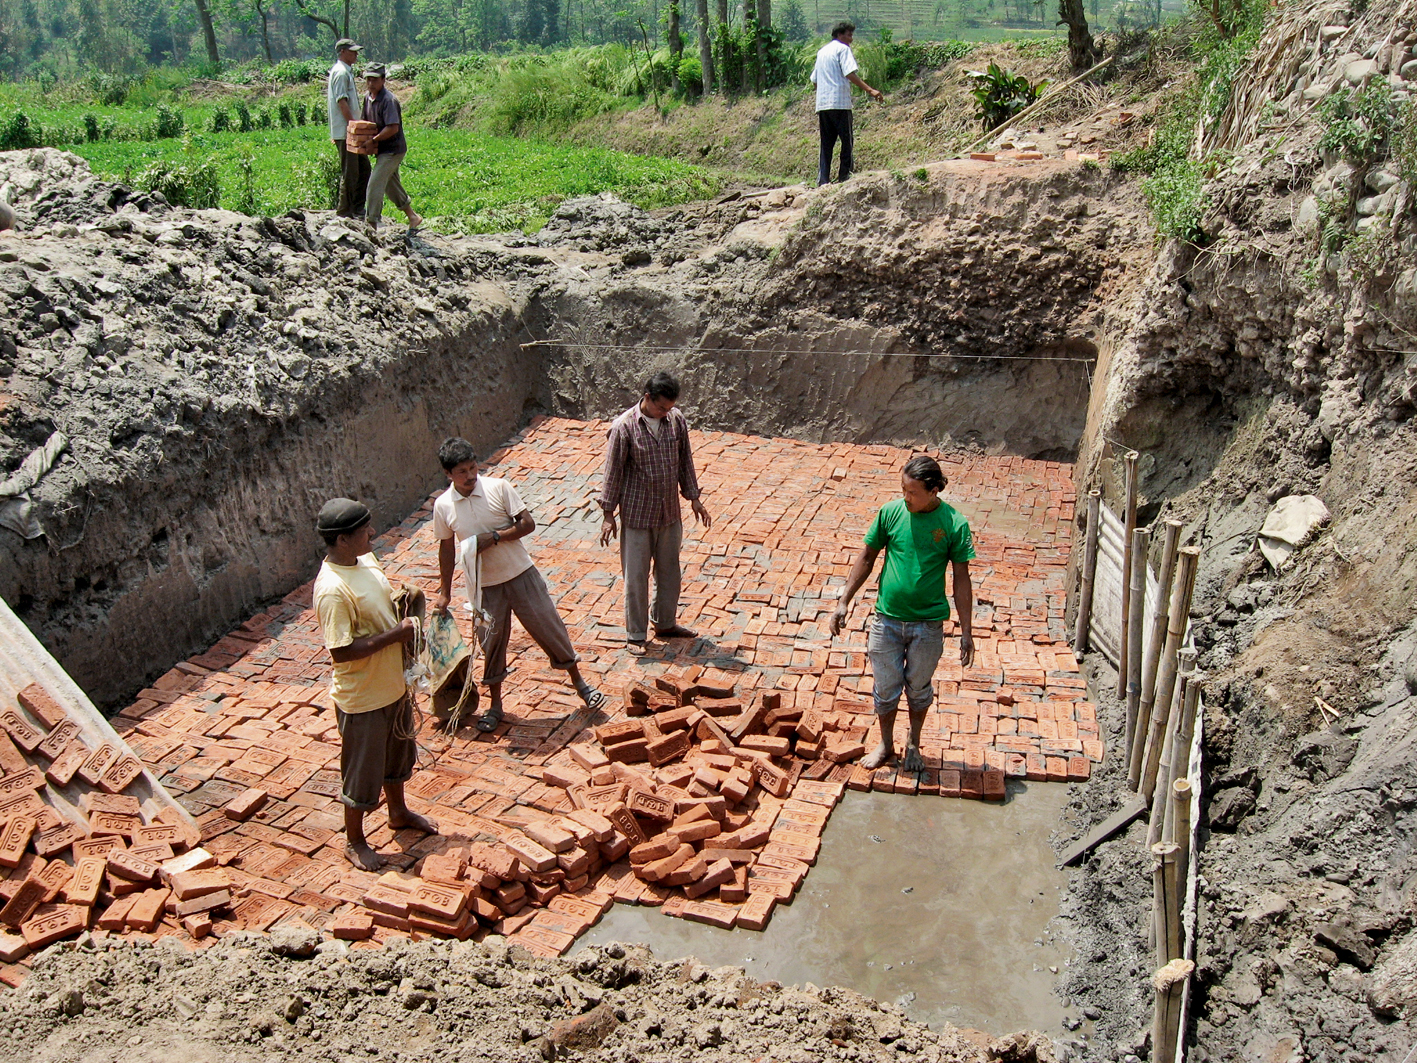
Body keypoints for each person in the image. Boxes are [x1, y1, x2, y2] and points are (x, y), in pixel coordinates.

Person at [431, 438, 604, 731]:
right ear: (448, 475)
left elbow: (527, 524)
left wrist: (496, 537)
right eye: (462, 472)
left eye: (473, 467)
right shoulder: (443, 506)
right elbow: (446, 550)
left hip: (521, 574)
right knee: (492, 644)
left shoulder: (499, 488)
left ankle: (581, 685)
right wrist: (444, 591)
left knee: (550, 628)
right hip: (484, 587)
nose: (471, 475)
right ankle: (495, 705)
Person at [313, 498, 438, 870]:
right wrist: (396, 634)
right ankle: (355, 840)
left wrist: (402, 607)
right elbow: (342, 650)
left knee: (398, 755)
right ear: (341, 540)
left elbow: (379, 607)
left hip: (392, 686)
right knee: (362, 771)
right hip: (362, 697)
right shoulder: (332, 590)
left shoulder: (364, 561)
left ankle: (398, 812)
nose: (372, 533)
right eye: (363, 530)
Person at [829, 455, 975, 773]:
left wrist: (967, 630)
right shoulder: (891, 513)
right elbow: (867, 556)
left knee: (919, 688)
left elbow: (962, 579)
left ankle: (914, 745)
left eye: (912, 492)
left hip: (928, 625)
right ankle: (885, 744)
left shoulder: (954, 524)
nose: (906, 497)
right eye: (903, 490)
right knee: (885, 687)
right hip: (887, 620)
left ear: (934, 490)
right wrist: (845, 599)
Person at [598, 371, 712, 655]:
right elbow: (612, 473)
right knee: (636, 577)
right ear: (647, 398)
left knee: (670, 572)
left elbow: (685, 460)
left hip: (669, 513)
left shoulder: (676, 421)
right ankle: (635, 634)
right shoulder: (624, 428)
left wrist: (694, 498)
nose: (665, 413)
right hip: (637, 516)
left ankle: (665, 623)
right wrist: (608, 514)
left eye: (669, 408)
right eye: (661, 407)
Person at [810, 21, 883, 186]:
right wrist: (870, 90)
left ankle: (823, 180)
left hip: (823, 104)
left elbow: (814, 80)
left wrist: (825, 89)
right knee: (846, 140)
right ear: (839, 35)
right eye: (849, 35)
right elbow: (849, 73)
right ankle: (845, 176)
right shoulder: (843, 49)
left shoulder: (822, 52)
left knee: (826, 143)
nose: (851, 39)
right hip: (840, 102)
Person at [360, 63, 423, 232]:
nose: (371, 83)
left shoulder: (388, 100)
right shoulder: (367, 98)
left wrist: (373, 140)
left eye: (374, 80)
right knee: (390, 184)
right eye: (368, 79)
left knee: (375, 182)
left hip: (393, 150)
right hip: (381, 149)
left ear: (383, 80)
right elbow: (365, 123)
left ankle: (371, 222)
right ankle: (413, 217)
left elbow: (393, 127)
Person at [326, 38, 368, 219]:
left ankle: (357, 209)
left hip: (347, 130)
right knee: (350, 172)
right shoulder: (341, 73)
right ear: (342, 52)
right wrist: (353, 127)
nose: (356, 54)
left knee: (364, 169)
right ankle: (344, 212)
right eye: (352, 51)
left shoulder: (345, 72)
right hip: (346, 131)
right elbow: (342, 102)